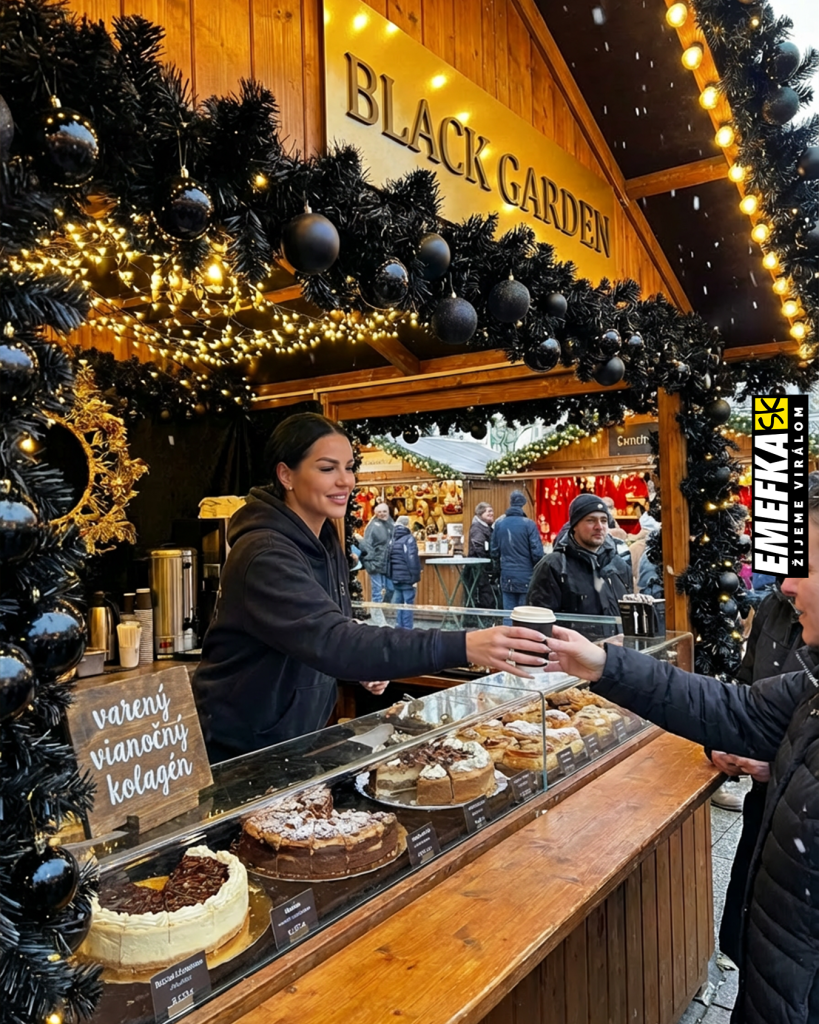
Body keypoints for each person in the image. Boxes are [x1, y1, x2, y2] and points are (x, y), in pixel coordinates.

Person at [543, 488, 819, 1024]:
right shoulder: (812, 683)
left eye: (807, 564)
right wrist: (603, 664)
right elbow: (731, 707)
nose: (787, 582)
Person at [193, 413, 549, 762]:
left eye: (349, 468)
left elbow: (326, 634)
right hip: (239, 749)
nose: (345, 481)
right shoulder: (265, 554)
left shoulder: (324, 540)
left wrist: (360, 665)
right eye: (327, 468)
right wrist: (465, 644)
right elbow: (332, 641)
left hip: (290, 742)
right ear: (286, 474)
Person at [714, 583, 816, 964]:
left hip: (799, 817)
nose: (789, 583)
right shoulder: (773, 605)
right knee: (750, 898)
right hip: (763, 802)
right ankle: (740, 955)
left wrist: (779, 763)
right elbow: (746, 688)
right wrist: (722, 742)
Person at [527, 493, 632, 615]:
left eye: (604, 520)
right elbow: (538, 622)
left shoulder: (618, 565)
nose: (599, 527)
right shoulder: (554, 566)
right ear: (574, 525)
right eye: (591, 520)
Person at [490, 490, 543, 620]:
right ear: (522, 504)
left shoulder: (499, 524)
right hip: (526, 575)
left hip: (507, 575)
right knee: (524, 616)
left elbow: (494, 551)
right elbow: (537, 553)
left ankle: (507, 639)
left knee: (508, 615)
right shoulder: (529, 524)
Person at [389, 515, 421, 628]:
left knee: (399, 604)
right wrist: (415, 577)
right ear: (407, 525)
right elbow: (412, 559)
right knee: (408, 604)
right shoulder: (409, 538)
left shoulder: (393, 538)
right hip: (407, 578)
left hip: (396, 578)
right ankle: (407, 629)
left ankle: (398, 627)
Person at [362, 502, 394, 603]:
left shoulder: (391, 524)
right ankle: (376, 615)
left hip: (387, 563)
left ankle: (382, 610)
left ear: (388, 512)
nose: (382, 514)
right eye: (379, 512)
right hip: (375, 563)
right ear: (375, 513)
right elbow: (367, 544)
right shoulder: (372, 526)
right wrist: (369, 561)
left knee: (391, 589)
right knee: (377, 592)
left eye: (384, 511)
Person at [468, 502, 496, 608]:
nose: (491, 513)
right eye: (488, 511)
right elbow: (479, 547)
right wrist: (487, 565)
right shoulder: (477, 528)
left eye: (492, 511)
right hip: (478, 568)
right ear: (480, 514)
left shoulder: (485, 528)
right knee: (483, 593)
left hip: (480, 568)